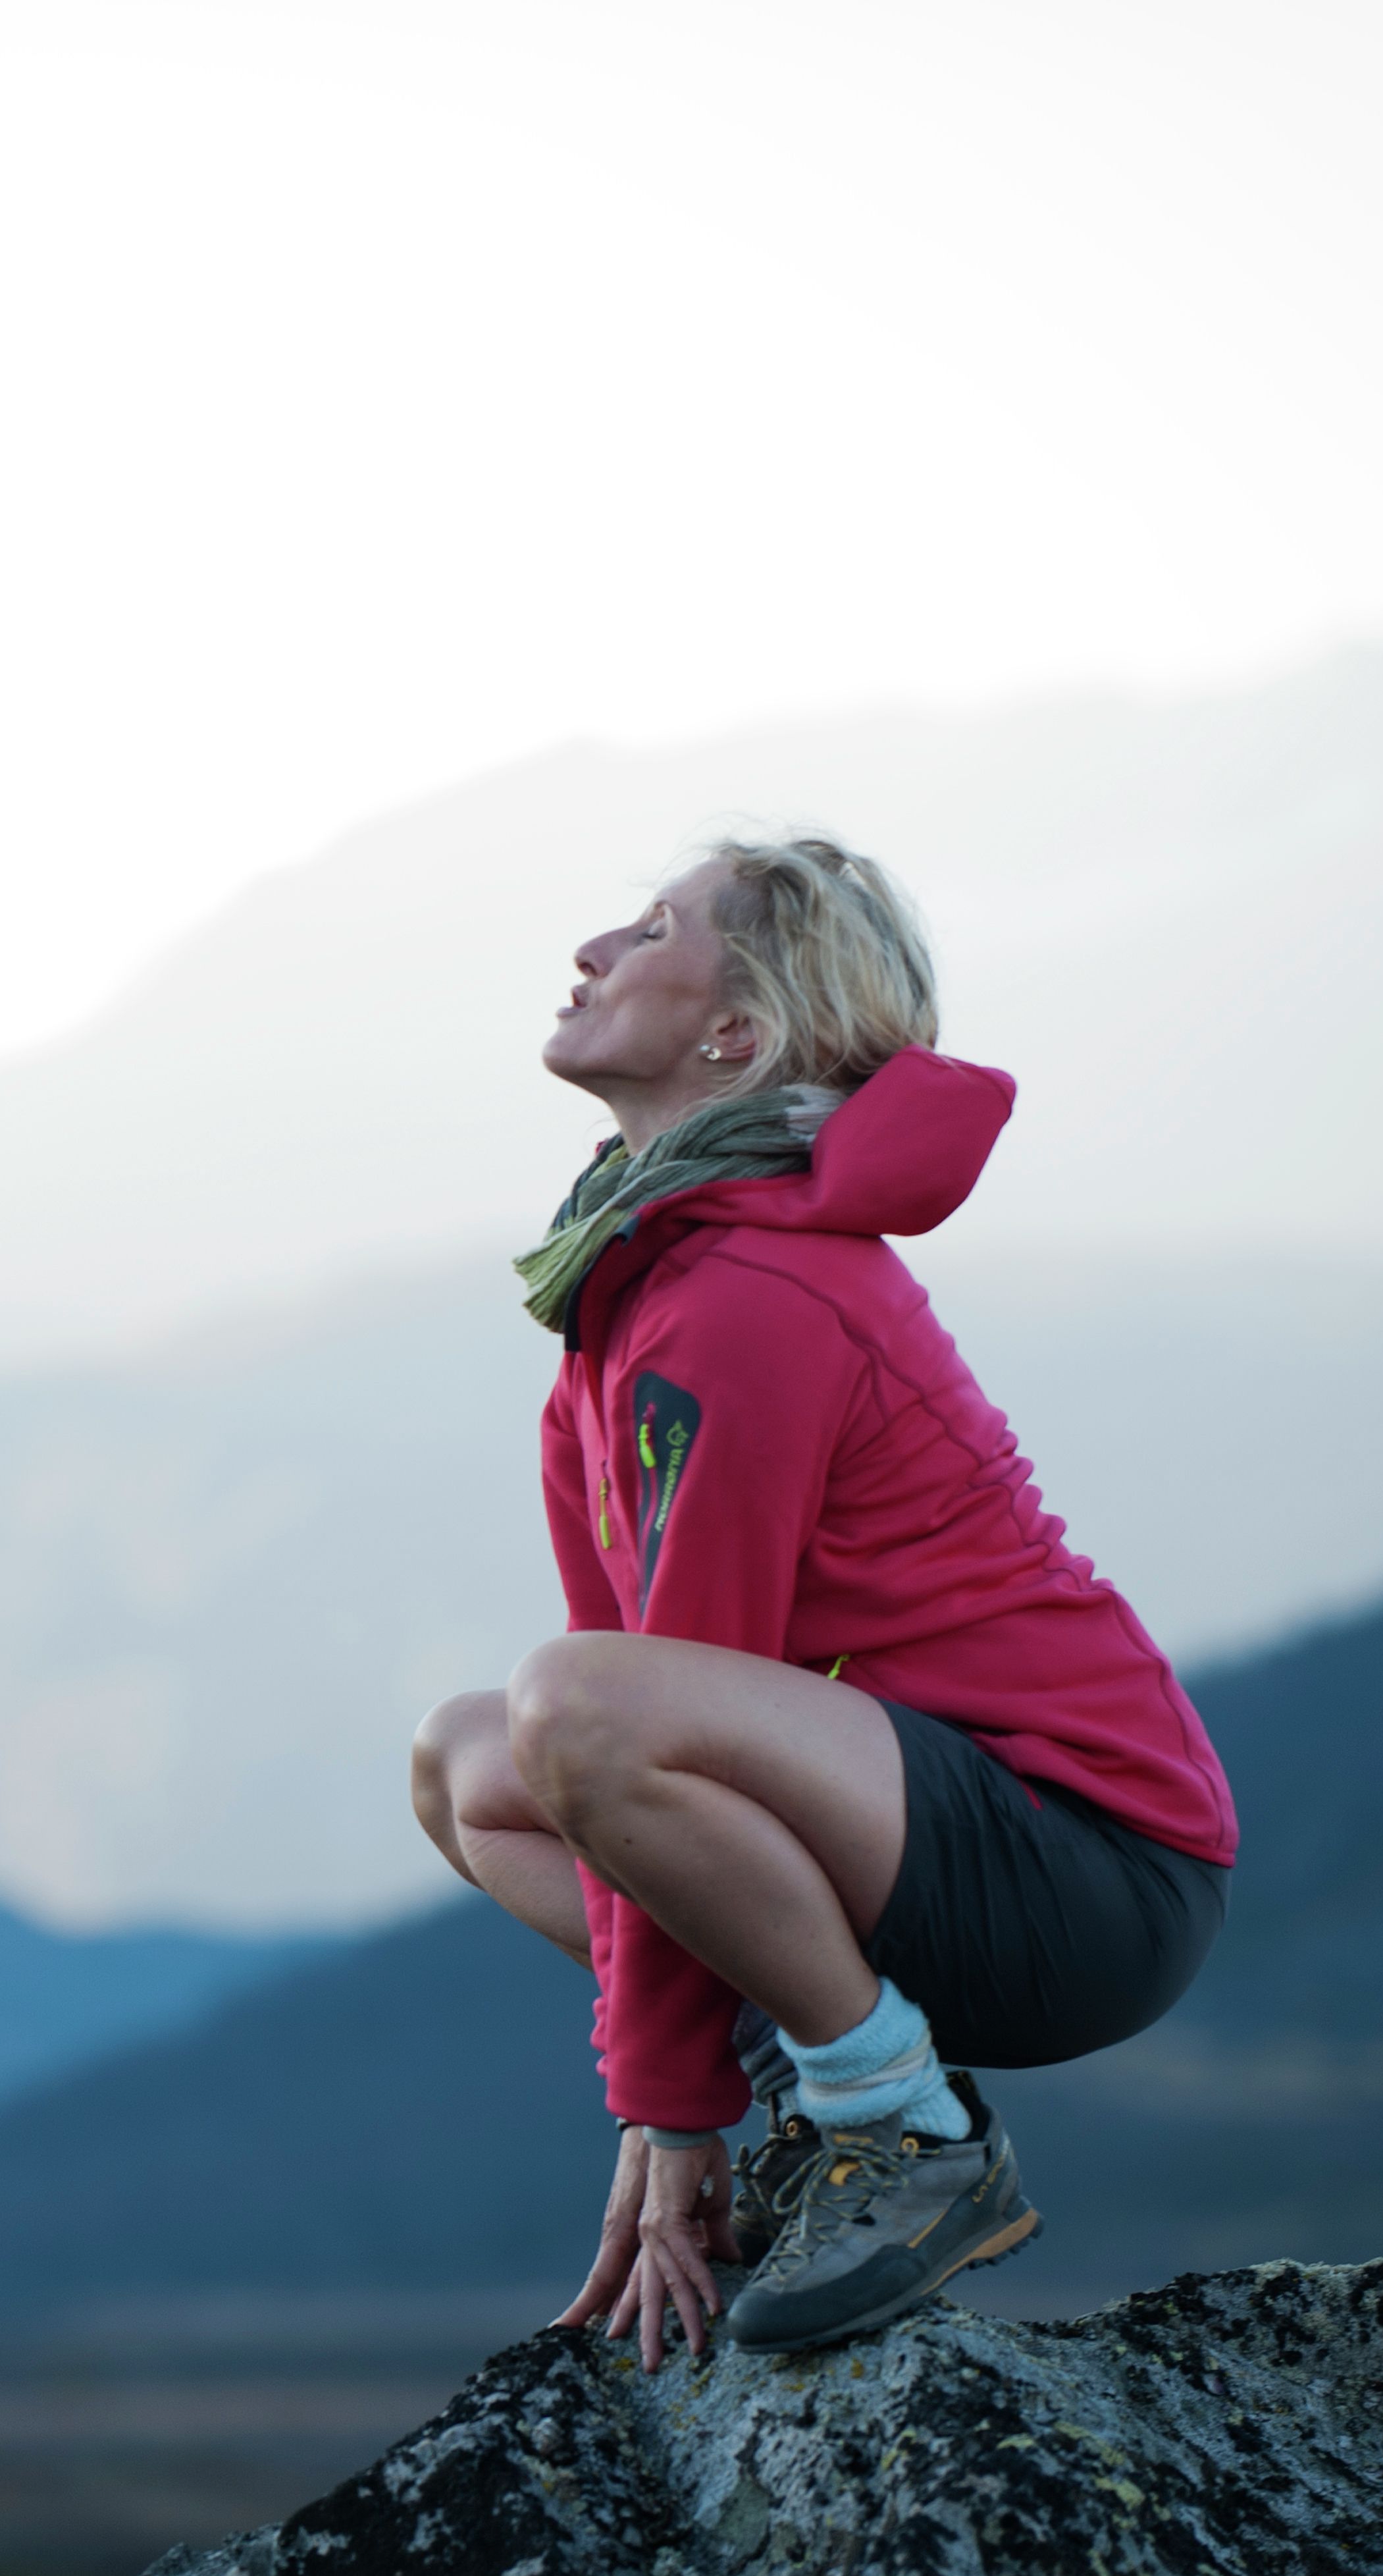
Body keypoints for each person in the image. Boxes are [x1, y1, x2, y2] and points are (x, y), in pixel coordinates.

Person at [407, 835, 1236, 2371]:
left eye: (652, 929)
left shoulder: (752, 1301)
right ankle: (830, 2076)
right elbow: (615, 1780)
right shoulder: (624, 1311)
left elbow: (649, 1702)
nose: (590, 947)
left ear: (735, 1037)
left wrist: (666, 2113)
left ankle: (901, 2131)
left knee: (571, 1708)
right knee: (470, 1765)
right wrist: (668, 2100)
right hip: (904, 1828)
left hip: (1087, 1859)